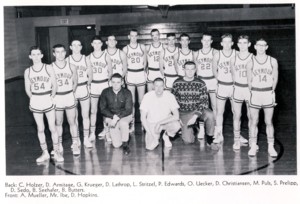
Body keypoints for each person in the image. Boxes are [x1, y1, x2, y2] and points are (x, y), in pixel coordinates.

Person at [24, 46, 63, 162]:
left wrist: (52, 96)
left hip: (47, 98)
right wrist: (34, 98)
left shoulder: (48, 68)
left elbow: (55, 85)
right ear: (30, 56)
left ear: (42, 55)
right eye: (33, 54)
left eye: (38, 54)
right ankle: (45, 152)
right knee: (40, 128)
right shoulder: (28, 71)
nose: (36, 57)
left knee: (52, 127)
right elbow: (27, 88)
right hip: (36, 99)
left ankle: (56, 152)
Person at [172, 61, 217, 150]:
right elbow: (173, 102)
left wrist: (195, 116)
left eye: (192, 69)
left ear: (195, 70)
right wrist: (177, 117)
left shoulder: (201, 83)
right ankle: (194, 129)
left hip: (197, 110)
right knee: (188, 141)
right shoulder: (177, 83)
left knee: (210, 114)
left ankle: (210, 140)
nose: (190, 71)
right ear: (183, 70)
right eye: (187, 69)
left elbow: (204, 102)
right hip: (184, 112)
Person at [212, 33, 248, 144]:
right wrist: (220, 80)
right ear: (221, 43)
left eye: (229, 42)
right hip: (222, 86)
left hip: (234, 87)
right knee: (219, 111)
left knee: (237, 113)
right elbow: (214, 70)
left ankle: (237, 135)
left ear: (232, 43)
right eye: (225, 42)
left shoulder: (237, 54)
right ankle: (219, 135)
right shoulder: (217, 55)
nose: (227, 44)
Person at [247, 38, 278, 157]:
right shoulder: (250, 62)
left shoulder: (273, 61)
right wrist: (252, 92)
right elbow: (249, 80)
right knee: (254, 121)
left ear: (266, 47)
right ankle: (253, 145)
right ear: (255, 47)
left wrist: (272, 92)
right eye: (258, 45)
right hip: (255, 93)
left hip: (267, 93)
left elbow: (275, 78)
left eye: (263, 45)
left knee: (268, 121)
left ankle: (271, 146)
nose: (260, 47)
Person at [51, 44, 80, 156]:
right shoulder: (50, 67)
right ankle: (59, 145)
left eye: (62, 51)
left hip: (68, 96)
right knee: (58, 122)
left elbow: (75, 82)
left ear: (65, 53)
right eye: (57, 52)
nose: (60, 54)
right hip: (57, 97)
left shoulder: (72, 66)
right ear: (54, 54)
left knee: (72, 121)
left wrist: (71, 93)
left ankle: (75, 143)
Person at [140, 77, 181, 150]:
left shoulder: (170, 96)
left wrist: (159, 123)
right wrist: (149, 133)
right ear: (153, 86)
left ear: (164, 86)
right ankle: (157, 135)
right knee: (150, 147)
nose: (159, 88)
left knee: (176, 125)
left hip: (165, 122)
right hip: (152, 123)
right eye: (156, 86)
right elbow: (143, 118)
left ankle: (166, 134)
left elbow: (176, 116)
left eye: (161, 86)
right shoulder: (147, 96)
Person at [68, 39, 93, 148]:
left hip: (83, 88)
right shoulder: (67, 59)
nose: (77, 47)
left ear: (81, 47)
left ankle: (86, 139)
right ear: (70, 47)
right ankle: (76, 139)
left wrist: (88, 85)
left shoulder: (86, 59)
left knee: (85, 115)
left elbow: (90, 75)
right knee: (74, 117)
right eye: (74, 45)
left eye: (79, 45)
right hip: (72, 90)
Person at [99, 73, 133, 155]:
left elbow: (128, 110)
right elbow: (102, 109)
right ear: (110, 82)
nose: (115, 84)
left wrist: (117, 117)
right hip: (111, 117)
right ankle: (121, 134)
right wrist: (113, 117)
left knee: (123, 123)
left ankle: (125, 144)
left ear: (122, 82)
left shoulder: (127, 92)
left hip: (124, 116)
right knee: (117, 145)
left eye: (118, 82)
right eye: (113, 82)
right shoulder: (105, 92)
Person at [230, 35, 253, 150]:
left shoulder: (253, 58)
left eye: (245, 43)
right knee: (236, 115)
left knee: (251, 116)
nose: (243, 45)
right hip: (238, 89)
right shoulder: (233, 58)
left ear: (249, 44)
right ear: (237, 44)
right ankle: (236, 140)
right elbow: (233, 76)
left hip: (249, 90)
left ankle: (252, 141)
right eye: (240, 43)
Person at [194, 33, 218, 140]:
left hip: (212, 79)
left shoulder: (216, 52)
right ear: (201, 41)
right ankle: (202, 130)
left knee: (215, 106)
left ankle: (216, 130)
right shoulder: (196, 53)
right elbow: (195, 70)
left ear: (211, 41)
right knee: (201, 106)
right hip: (201, 81)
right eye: (205, 40)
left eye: (209, 40)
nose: (207, 42)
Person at [88, 36, 112, 142]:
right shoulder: (88, 57)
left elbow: (110, 72)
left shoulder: (106, 56)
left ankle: (107, 132)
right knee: (93, 110)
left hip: (104, 84)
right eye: (95, 43)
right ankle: (92, 133)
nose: (97, 45)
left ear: (102, 44)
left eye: (99, 43)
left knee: (105, 110)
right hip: (93, 85)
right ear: (92, 44)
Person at [123, 29, 147, 133]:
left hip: (140, 73)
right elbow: (124, 64)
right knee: (131, 102)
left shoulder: (142, 47)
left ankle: (143, 123)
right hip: (131, 74)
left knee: (141, 101)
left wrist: (143, 72)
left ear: (137, 37)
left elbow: (145, 62)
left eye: (135, 36)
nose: (133, 38)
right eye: (132, 36)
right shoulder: (125, 49)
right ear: (129, 37)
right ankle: (132, 124)